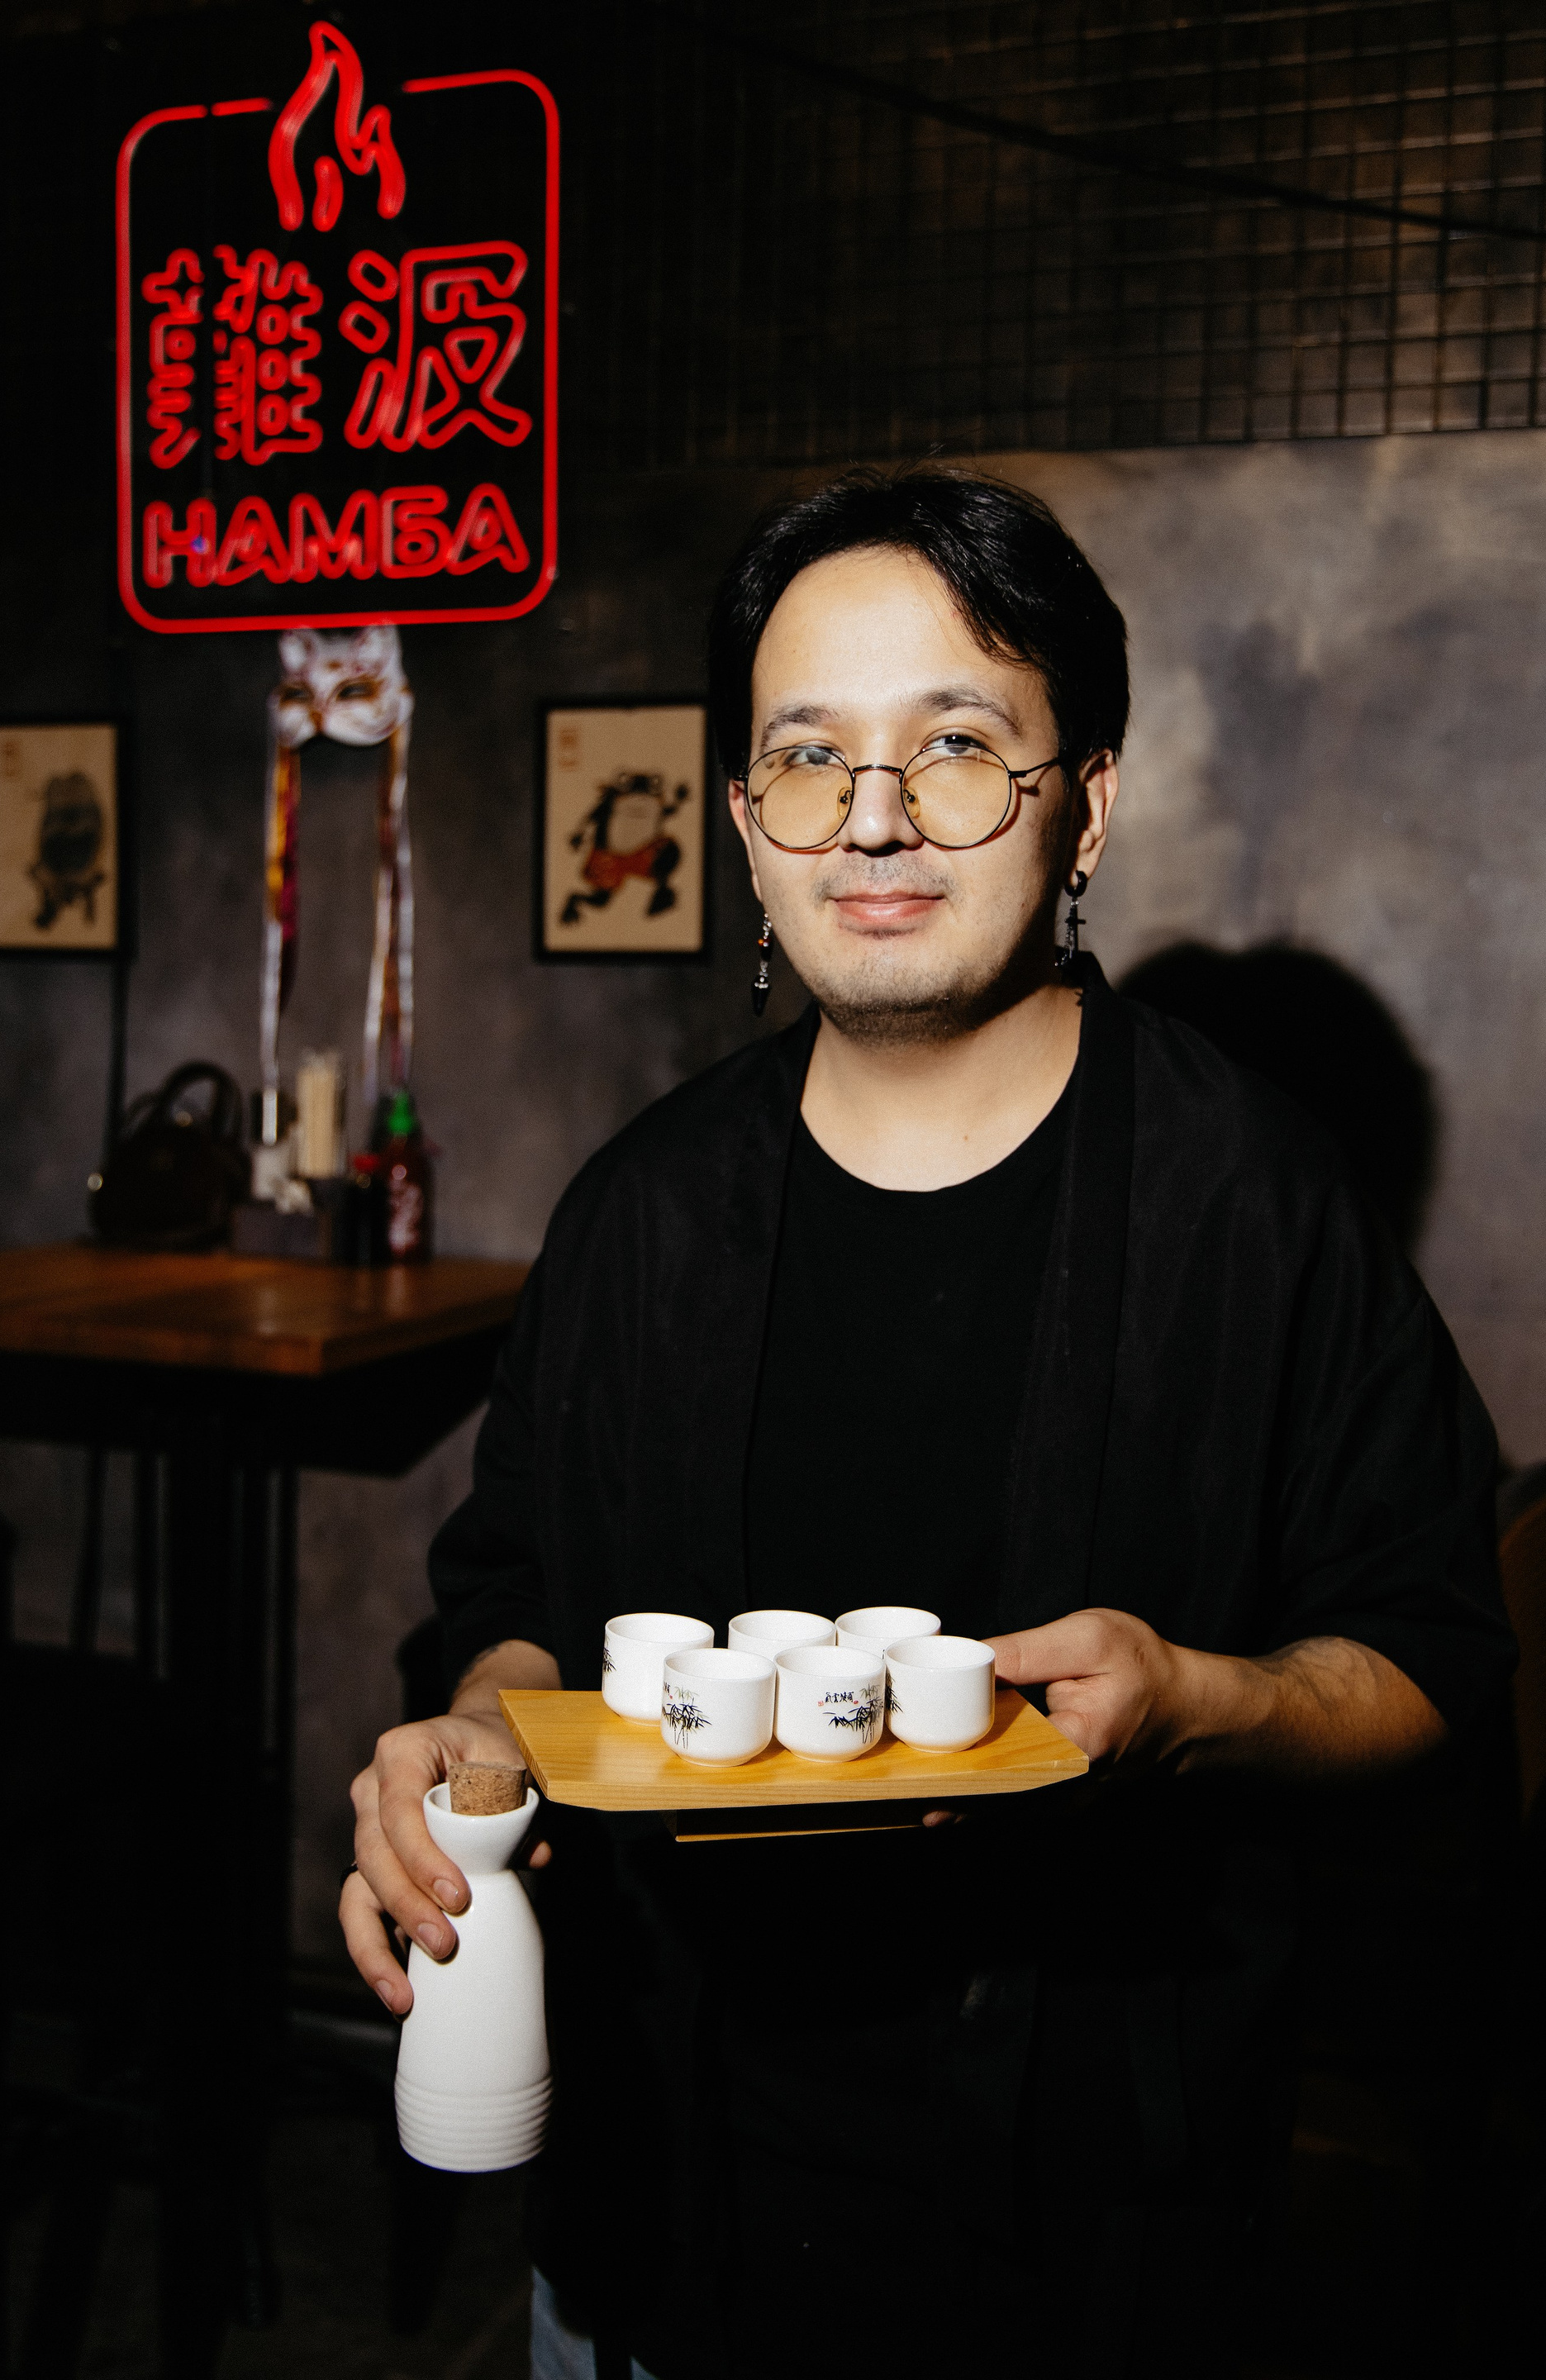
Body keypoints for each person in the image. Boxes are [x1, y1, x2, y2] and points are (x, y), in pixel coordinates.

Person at [341, 467, 1514, 2380]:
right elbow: (521, 1599)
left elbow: (1435, 1662)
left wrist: (1198, 1702)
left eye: (956, 745)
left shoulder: (1249, 1204)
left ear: (1087, 802)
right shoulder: (644, 1212)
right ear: (745, 819)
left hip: (1094, 2259)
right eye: (808, 757)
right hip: (660, 2230)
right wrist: (473, 1738)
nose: (873, 817)